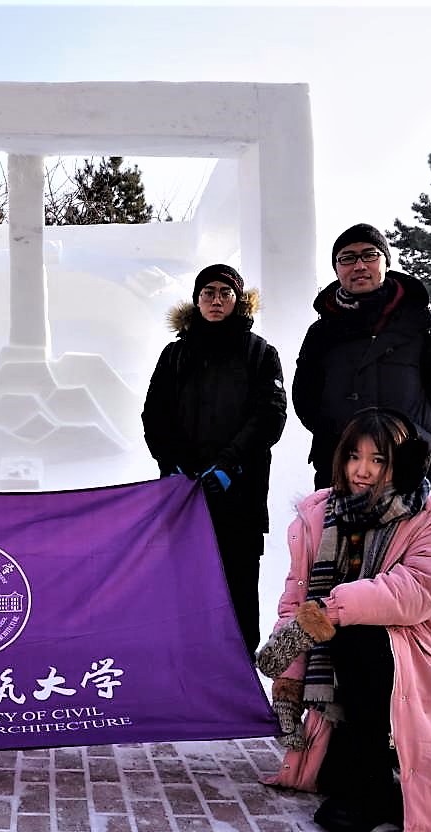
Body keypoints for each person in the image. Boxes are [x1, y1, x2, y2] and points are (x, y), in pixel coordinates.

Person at [255, 407, 431, 832]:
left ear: (401, 463)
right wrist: (288, 680)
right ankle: (360, 764)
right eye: (354, 456)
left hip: (413, 649)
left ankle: (373, 785)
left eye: (377, 459)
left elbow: (414, 591)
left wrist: (328, 612)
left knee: (359, 636)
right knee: (329, 771)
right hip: (343, 652)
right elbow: (297, 601)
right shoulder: (321, 517)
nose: (362, 470)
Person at [142, 263, 287, 654]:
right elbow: (154, 415)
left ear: (238, 300)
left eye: (226, 292)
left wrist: (229, 463)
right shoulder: (174, 355)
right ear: (197, 300)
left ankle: (238, 672)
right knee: (186, 585)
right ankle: (187, 668)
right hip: (184, 495)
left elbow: (270, 416)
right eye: (208, 292)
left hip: (239, 494)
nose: (216, 300)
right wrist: (171, 463)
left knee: (238, 587)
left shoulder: (260, 353)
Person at [293, 223, 431, 490]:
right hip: (340, 463)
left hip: (412, 465)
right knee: (337, 521)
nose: (359, 265)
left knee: (414, 521)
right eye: (347, 258)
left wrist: (418, 437)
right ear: (337, 269)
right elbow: (305, 398)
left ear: (386, 262)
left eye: (369, 255)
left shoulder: (423, 321)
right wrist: (339, 435)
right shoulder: (321, 332)